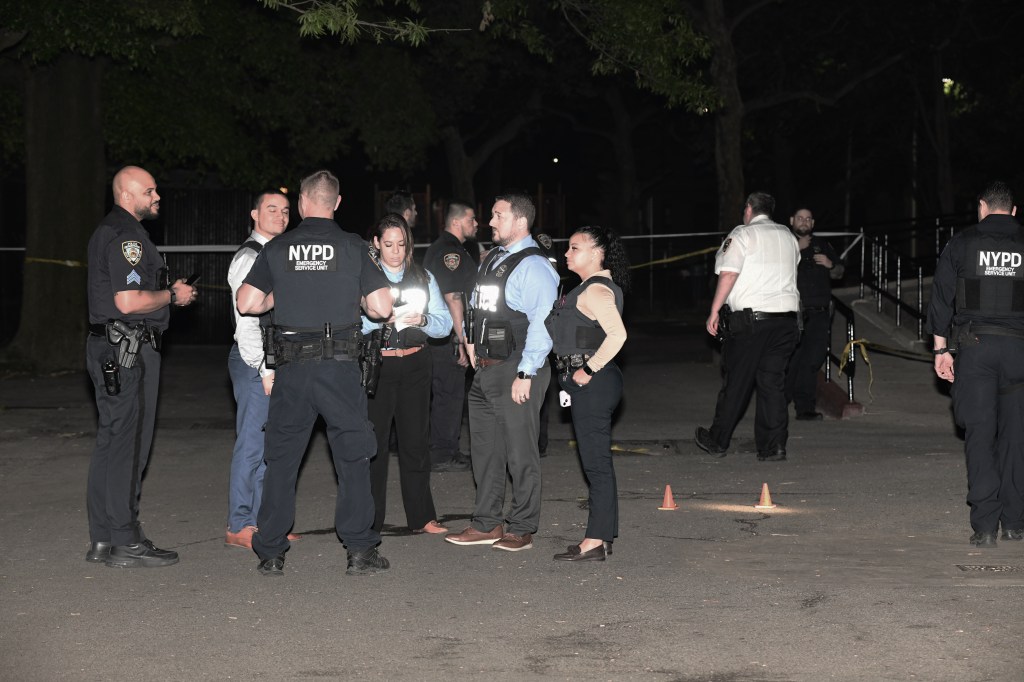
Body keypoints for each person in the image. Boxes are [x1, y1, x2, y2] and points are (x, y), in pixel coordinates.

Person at [236, 170, 393, 577]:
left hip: (292, 368)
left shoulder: (278, 247)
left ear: (303, 203)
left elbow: (248, 303)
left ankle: (270, 552)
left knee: (282, 459)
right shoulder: (354, 247)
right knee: (353, 456)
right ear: (336, 203)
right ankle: (360, 551)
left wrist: (282, 294)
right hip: (339, 367)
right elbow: (381, 308)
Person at [85, 165, 197, 568]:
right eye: (150, 191)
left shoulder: (107, 231)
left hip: (108, 346)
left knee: (111, 441)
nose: (157, 197)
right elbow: (129, 302)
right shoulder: (128, 237)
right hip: (129, 351)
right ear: (128, 195)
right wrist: (172, 295)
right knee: (130, 447)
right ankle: (125, 540)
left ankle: (102, 538)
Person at [445, 191, 559, 552]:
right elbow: (483, 310)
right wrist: (469, 345)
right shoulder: (494, 258)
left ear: (520, 222)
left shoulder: (535, 266)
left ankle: (522, 527)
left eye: (498, 216)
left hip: (516, 368)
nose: (490, 221)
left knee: (520, 453)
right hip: (485, 369)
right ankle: (487, 523)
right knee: (485, 451)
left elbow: (543, 323)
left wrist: (526, 373)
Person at [927, 180, 1024, 548]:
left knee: (980, 435)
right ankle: (1015, 523)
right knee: (1017, 438)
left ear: (982, 207)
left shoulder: (962, 242)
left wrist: (941, 350)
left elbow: (941, 298)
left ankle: (985, 526)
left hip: (976, 349)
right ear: (1013, 211)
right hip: (1019, 351)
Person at [362, 213, 453, 534]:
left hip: (416, 364)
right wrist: (377, 320)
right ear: (376, 243)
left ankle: (422, 517)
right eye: (388, 244)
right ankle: (369, 520)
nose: (396, 251)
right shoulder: (366, 277)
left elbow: (445, 324)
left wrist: (423, 320)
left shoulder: (424, 277)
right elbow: (351, 325)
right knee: (373, 446)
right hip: (379, 367)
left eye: (401, 244)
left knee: (416, 442)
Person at [695, 191, 800, 462]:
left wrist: (715, 310)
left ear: (749, 209)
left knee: (737, 382)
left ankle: (718, 440)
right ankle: (774, 446)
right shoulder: (789, 237)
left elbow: (729, 272)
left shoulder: (743, 234)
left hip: (751, 322)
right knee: (772, 383)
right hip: (786, 322)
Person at [546, 226, 629, 562]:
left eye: (575, 247)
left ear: (596, 253)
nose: (567, 253)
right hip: (587, 384)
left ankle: (596, 540)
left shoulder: (596, 290)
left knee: (596, 465)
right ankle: (599, 537)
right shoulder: (584, 288)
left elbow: (618, 335)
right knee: (595, 463)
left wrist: (588, 370)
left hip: (595, 383)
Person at [224, 190, 289, 549]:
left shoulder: (275, 254)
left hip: (271, 359)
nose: (280, 215)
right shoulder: (251, 257)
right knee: (252, 444)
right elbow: (246, 321)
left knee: (269, 444)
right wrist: (264, 368)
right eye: (271, 209)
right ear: (254, 214)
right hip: (255, 360)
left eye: (285, 210)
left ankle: (263, 521)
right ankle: (239, 524)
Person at [422, 202, 479, 472]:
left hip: (444, 334)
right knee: (449, 392)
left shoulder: (447, 248)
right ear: (457, 222)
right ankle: (444, 453)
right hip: (447, 336)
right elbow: (453, 298)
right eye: (472, 218)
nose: (477, 223)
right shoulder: (449, 252)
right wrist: (463, 339)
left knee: (445, 392)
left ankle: (441, 448)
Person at [785, 206, 844, 421]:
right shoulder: (784, 243)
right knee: (790, 360)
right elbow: (773, 269)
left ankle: (805, 408)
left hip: (819, 313)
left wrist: (831, 265)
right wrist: (795, 250)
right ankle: (779, 405)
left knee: (812, 361)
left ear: (813, 223)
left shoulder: (822, 245)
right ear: (792, 220)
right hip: (794, 312)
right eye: (800, 218)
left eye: (808, 219)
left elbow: (839, 272)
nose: (804, 222)